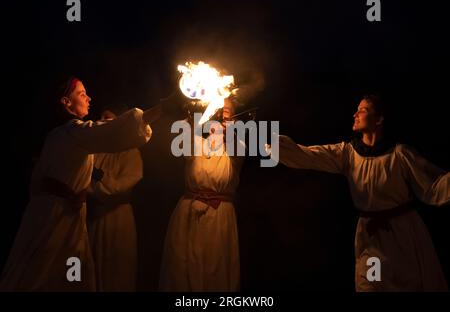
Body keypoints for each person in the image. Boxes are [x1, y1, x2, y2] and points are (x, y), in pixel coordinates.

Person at [0, 77, 161, 291]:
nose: (89, 98)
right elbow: (115, 129)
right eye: (81, 93)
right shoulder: (71, 132)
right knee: (43, 274)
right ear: (67, 102)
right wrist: (163, 107)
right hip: (55, 219)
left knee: (70, 274)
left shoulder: (60, 135)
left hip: (66, 218)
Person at [277, 94, 449, 291]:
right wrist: (264, 140)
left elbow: (434, 186)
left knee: (405, 284)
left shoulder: (400, 154)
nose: (355, 114)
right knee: (371, 285)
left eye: (362, 110)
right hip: (370, 239)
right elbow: (307, 156)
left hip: (402, 236)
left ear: (379, 119)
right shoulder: (348, 154)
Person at [159, 98, 243, 291]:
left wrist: (231, 131)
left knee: (215, 270)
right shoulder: (195, 142)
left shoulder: (236, 147)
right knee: (182, 269)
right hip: (187, 215)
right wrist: (192, 113)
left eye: (228, 111)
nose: (223, 114)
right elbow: (183, 137)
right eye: (219, 109)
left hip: (219, 217)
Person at [87, 103, 143, 291]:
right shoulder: (93, 152)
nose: (105, 124)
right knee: (94, 267)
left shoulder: (130, 151)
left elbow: (125, 184)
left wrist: (100, 178)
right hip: (96, 216)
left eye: (109, 120)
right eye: (102, 120)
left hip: (118, 218)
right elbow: (84, 185)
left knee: (117, 270)